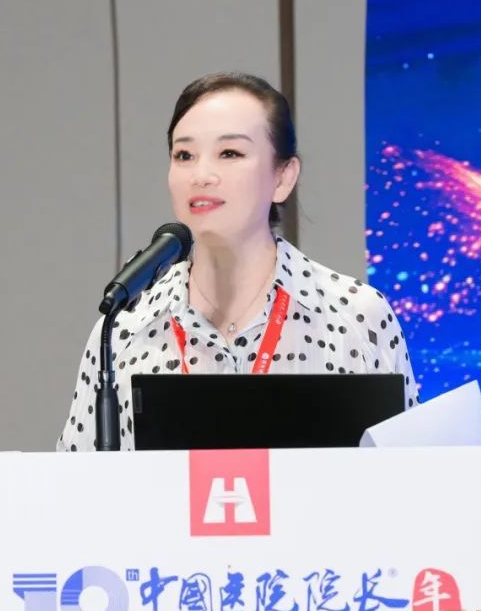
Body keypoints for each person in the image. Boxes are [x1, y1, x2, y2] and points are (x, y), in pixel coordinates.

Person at [57, 72, 418, 452]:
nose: (201, 175)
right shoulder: (126, 326)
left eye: (230, 153)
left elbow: (408, 476)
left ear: (283, 177)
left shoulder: (357, 317)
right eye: (184, 155)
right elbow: (76, 479)